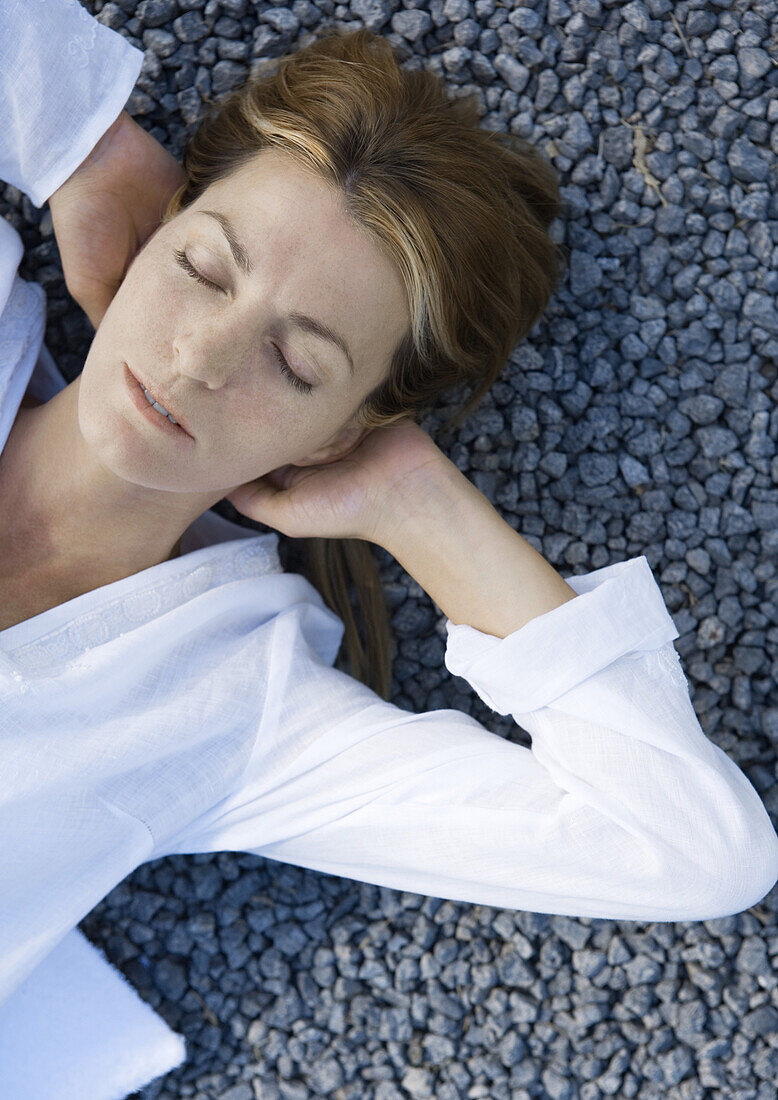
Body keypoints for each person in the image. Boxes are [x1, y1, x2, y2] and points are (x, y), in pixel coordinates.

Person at [2, 2, 778, 1097]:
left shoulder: (235, 706)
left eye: (301, 362)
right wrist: (77, 133)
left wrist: (423, 509)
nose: (200, 355)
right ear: (157, 227)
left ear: (344, 431)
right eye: (206, 266)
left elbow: (690, 846)